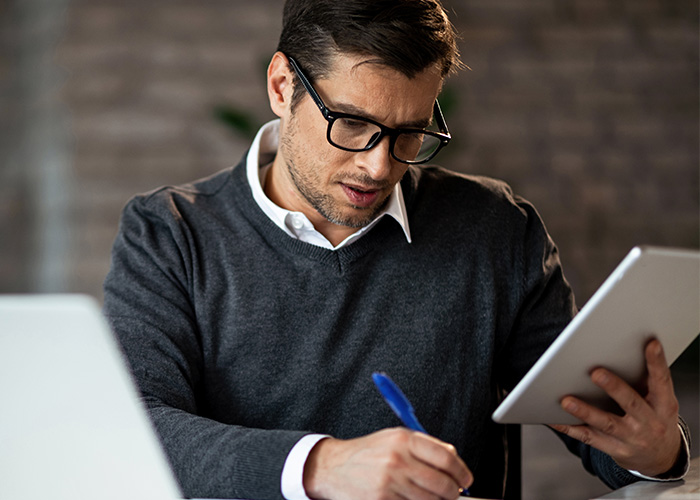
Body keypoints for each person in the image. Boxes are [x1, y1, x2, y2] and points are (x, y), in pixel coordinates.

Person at [103, 1, 690, 499]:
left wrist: (652, 452)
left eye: (410, 131)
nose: (379, 165)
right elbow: (134, 430)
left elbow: (594, 424)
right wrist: (322, 465)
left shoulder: (495, 229)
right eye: (353, 124)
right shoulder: (168, 233)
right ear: (282, 87)